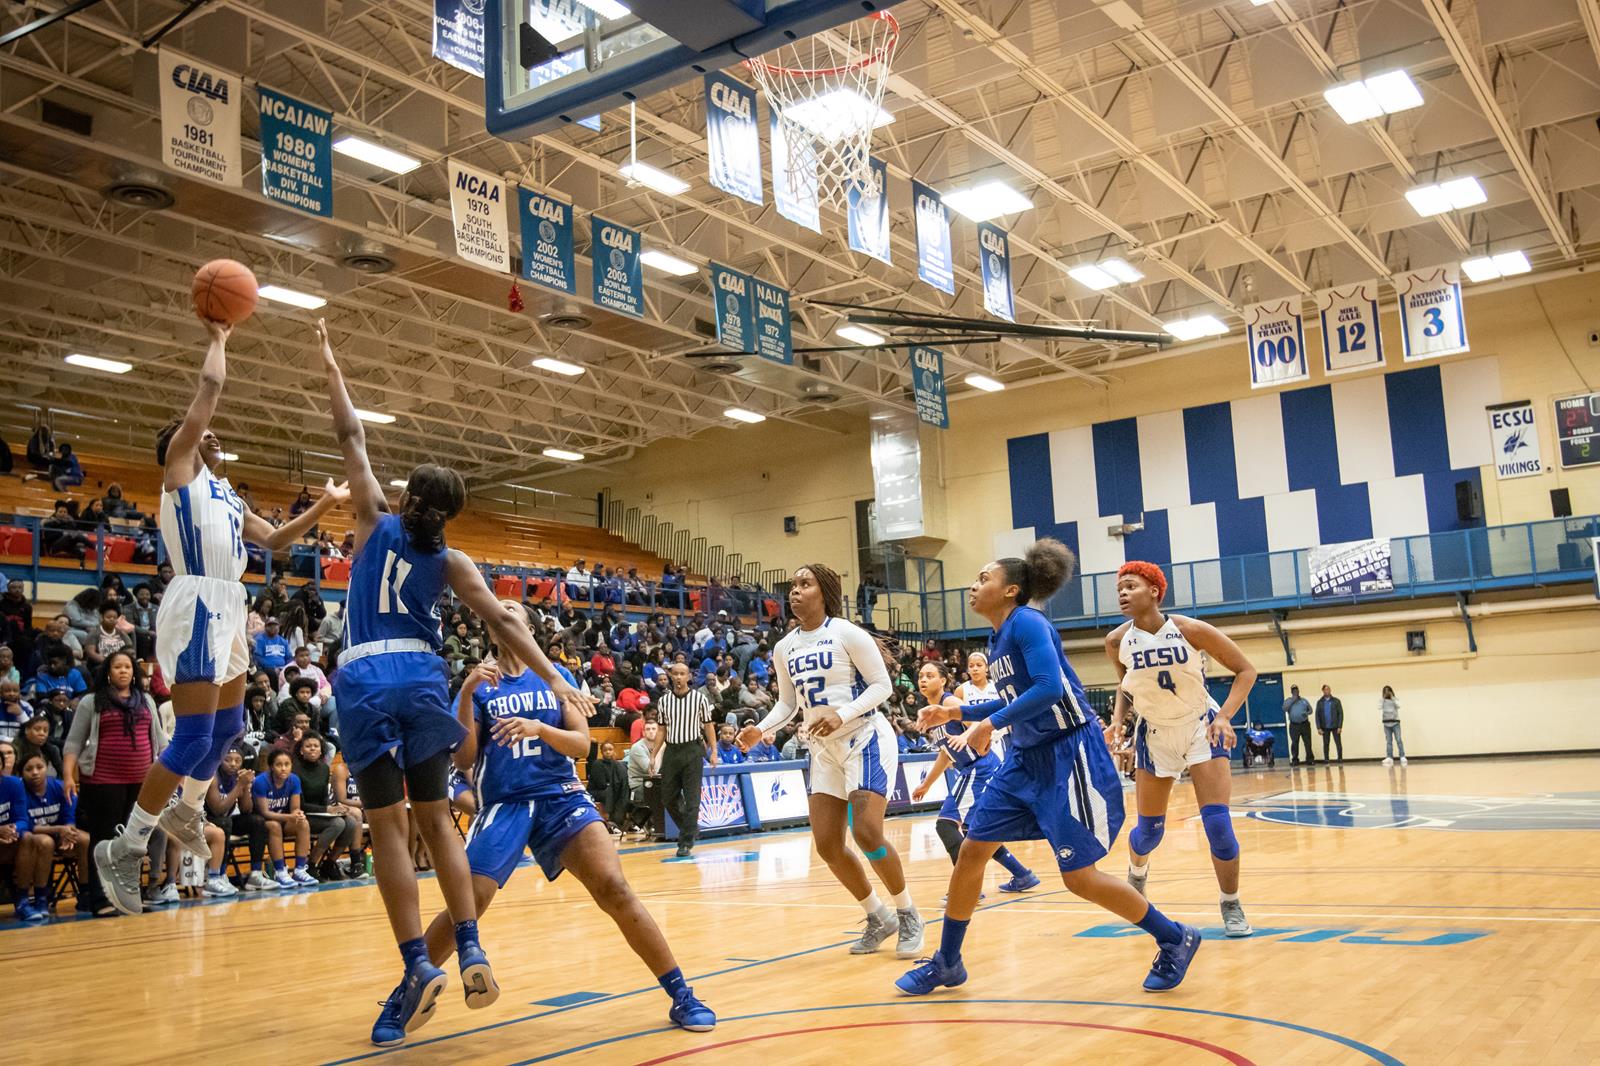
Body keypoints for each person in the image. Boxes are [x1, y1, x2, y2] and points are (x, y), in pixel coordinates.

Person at [318, 318, 593, 1047]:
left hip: (364, 675)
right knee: (440, 820)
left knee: (388, 829)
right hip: (421, 676)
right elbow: (508, 626)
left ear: (406, 497)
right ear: (451, 514)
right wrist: (558, 682)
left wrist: (330, 363)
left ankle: (418, 962)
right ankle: (469, 945)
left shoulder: (375, 519)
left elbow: (351, 435)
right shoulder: (455, 562)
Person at [92, 319, 348, 918]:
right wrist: (220, 337)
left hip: (232, 604)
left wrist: (325, 503)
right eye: (203, 435)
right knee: (194, 737)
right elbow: (207, 394)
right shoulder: (180, 471)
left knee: (230, 726)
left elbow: (279, 539)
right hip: (198, 602)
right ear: (182, 444)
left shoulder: (229, 496)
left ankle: (186, 806)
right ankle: (124, 847)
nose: (212, 437)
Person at [903, 540, 1200, 996]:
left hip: (1068, 752)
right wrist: (957, 715)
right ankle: (948, 961)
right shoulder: (999, 635)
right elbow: (1015, 697)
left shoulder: (1028, 623)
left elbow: (1047, 690)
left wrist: (987, 724)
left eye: (984, 578)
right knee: (972, 850)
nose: (973, 584)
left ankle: (1174, 937)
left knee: (1079, 877)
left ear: (1011, 590)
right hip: (1025, 758)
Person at [420, 603, 715, 1034]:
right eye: (496, 611)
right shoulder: (479, 685)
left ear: (529, 626)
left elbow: (581, 745)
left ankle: (681, 994)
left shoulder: (556, 677)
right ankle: (407, 990)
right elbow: (463, 757)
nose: (503, 613)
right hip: (505, 801)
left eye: (514, 609)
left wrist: (540, 729)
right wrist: (464, 694)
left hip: (560, 797)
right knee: (468, 902)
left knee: (614, 886)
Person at [737, 563, 925, 959]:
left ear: (824, 592)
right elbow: (789, 703)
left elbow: (882, 686)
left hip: (865, 738)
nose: (795, 591)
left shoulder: (847, 633)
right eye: (793, 585)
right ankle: (878, 916)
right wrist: (762, 730)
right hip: (823, 749)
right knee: (827, 845)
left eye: (804, 584)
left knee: (868, 833)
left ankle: (908, 912)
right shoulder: (784, 646)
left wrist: (843, 714)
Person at [1104, 560, 1256, 938]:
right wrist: (1118, 720)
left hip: (1200, 728)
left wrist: (1224, 716)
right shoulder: (1116, 641)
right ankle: (1137, 872)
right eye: (1119, 588)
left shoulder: (1189, 630)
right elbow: (1126, 685)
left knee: (1218, 827)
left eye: (1131, 586)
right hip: (1154, 733)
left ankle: (1231, 903)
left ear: (1154, 591)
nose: (1122, 593)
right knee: (1148, 833)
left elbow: (1246, 670)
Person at [909, 660, 1038, 893]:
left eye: (930, 675)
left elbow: (978, 722)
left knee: (945, 825)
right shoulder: (932, 711)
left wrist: (966, 734)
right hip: (975, 768)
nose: (923, 680)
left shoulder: (949, 702)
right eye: (920, 676)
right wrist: (926, 785)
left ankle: (967, 888)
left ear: (944, 680)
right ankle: (1022, 875)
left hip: (980, 766)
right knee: (974, 831)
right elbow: (945, 754)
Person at [64, 651, 166, 916]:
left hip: (142, 782)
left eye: (127, 667)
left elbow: (160, 740)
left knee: (134, 841)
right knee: (105, 839)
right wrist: (67, 775)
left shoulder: (146, 701)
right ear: (108, 672)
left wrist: (168, 776)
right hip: (102, 781)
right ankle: (100, 899)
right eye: (117, 667)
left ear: (134, 672)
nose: (123, 671)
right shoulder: (92, 702)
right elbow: (74, 742)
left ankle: (130, 896)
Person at [653, 663, 717, 858]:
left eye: (683, 674)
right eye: (676, 674)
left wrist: (714, 751)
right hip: (672, 750)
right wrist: (653, 754)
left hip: (692, 749)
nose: (679, 677)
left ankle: (685, 842)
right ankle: (690, 828)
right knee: (667, 797)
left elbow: (708, 726)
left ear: (689, 676)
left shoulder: (700, 699)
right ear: (671, 676)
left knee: (692, 800)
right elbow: (662, 729)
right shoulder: (664, 701)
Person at [20, 751, 85, 920]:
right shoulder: (20, 791)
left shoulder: (59, 786)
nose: (35, 772)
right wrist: (59, 829)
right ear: (21, 773)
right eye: (29, 769)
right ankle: (41, 898)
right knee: (46, 842)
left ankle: (86, 892)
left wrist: (68, 832)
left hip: (60, 832)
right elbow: (27, 826)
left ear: (47, 768)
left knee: (85, 839)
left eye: (39, 767)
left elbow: (69, 816)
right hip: (37, 837)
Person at [208, 747, 270, 892]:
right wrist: (239, 786)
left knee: (257, 821)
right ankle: (220, 874)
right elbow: (218, 810)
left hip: (227, 821)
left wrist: (246, 787)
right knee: (225, 823)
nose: (233, 764)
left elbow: (246, 810)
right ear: (219, 761)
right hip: (209, 820)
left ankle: (255, 874)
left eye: (238, 761)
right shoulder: (213, 777)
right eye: (227, 760)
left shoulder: (238, 778)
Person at [253, 747, 315, 888]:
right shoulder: (260, 781)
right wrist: (290, 816)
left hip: (284, 820)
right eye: (279, 765)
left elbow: (295, 808)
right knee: (274, 825)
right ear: (271, 767)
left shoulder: (294, 780)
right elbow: (264, 812)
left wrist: (297, 814)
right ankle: (280, 871)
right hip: (263, 822)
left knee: (303, 823)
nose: (283, 768)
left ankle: (299, 870)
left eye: (287, 764)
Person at [586, 740, 630, 833]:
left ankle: (626, 822)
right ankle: (611, 822)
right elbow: (601, 784)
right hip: (595, 791)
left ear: (614, 750)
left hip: (609, 789)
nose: (608, 752)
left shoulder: (618, 764)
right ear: (601, 752)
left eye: (610, 749)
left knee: (623, 792)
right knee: (611, 793)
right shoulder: (598, 764)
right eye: (605, 750)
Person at [1284, 684, 1314, 766]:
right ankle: (1295, 760)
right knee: (1295, 743)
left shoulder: (1303, 700)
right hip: (1294, 726)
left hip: (1304, 724)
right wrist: (1293, 700)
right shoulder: (1288, 701)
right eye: (1294, 691)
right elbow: (1284, 708)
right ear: (1291, 692)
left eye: (1296, 691)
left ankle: (1310, 759)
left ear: (1298, 691)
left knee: (1308, 742)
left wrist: (1306, 713)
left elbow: (1311, 710)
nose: (1295, 692)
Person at [1316, 684, 1344, 763]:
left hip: (1335, 726)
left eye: (1328, 689)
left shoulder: (1336, 701)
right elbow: (1317, 715)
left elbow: (1340, 714)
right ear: (1323, 691)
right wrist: (1318, 727)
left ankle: (1340, 758)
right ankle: (1326, 759)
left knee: (1338, 743)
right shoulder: (1320, 702)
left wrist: (1340, 726)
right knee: (1326, 744)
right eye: (1325, 689)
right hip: (1324, 727)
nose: (1327, 691)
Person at [1380, 685, 1406, 766]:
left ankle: (1402, 756)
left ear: (1391, 691)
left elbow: (1399, 705)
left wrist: (1392, 698)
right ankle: (1389, 757)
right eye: (1385, 691)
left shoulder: (1395, 699)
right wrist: (1383, 698)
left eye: (1388, 691)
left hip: (1395, 723)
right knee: (1388, 741)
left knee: (1398, 739)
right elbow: (1379, 707)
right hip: (1386, 723)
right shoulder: (1382, 701)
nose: (1387, 693)